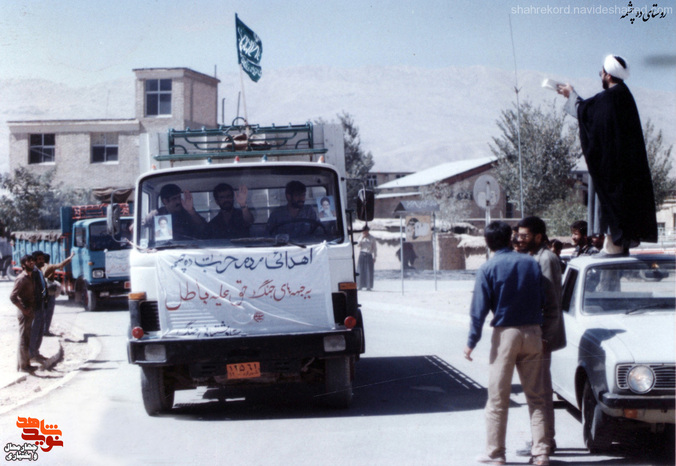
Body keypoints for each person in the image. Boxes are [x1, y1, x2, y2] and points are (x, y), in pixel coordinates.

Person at [464, 221, 549, 466]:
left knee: (497, 399)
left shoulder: (488, 268)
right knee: (537, 398)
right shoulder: (531, 263)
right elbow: (542, 298)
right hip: (533, 333)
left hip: (505, 336)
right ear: (511, 239)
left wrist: (471, 342)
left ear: (488, 242)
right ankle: (541, 453)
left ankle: (496, 454)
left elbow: (478, 311)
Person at [557, 55, 657, 255]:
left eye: (601, 72)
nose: (600, 75)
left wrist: (571, 95)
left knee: (611, 209)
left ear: (607, 74)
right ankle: (613, 244)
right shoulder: (623, 96)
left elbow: (587, 114)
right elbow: (591, 112)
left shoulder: (611, 98)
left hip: (612, 171)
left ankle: (612, 245)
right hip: (624, 172)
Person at [515, 217, 565, 458]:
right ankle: (544, 440)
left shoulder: (546, 259)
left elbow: (552, 303)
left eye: (524, 236)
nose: (519, 240)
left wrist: (545, 338)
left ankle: (544, 442)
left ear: (538, 236)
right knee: (540, 391)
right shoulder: (535, 257)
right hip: (538, 336)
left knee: (541, 392)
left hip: (542, 336)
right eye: (518, 235)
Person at [34, 250, 75, 337]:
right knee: (49, 312)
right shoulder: (49, 266)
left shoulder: (37, 268)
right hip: (50, 292)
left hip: (41, 293)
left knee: (42, 312)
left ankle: (41, 330)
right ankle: (46, 330)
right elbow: (61, 265)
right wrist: (70, 257)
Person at [11, 255, 38, 372]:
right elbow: (12, 297)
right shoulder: (21, 278)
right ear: (23, 265)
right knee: (23, 338)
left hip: (29, 310)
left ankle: (26, 364)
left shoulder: (31, 277)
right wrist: (23, 309)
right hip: (24, 311)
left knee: (27, 337)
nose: (32, 263)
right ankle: (22, 366)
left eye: (32, 261)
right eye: (29, 262)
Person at [357, 226, 377, 290]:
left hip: (369, 254)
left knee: (369, 271)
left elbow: (374, 248)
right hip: (362, 254)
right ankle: (360, 286)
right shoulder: (360, 237)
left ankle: (368, 286)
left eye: (366, 231)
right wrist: (362, 238)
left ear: (368, 231)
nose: (365, 232)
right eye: (363, 231)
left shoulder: (372, 238)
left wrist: (374, 257)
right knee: (360, 270)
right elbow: (358, 245)